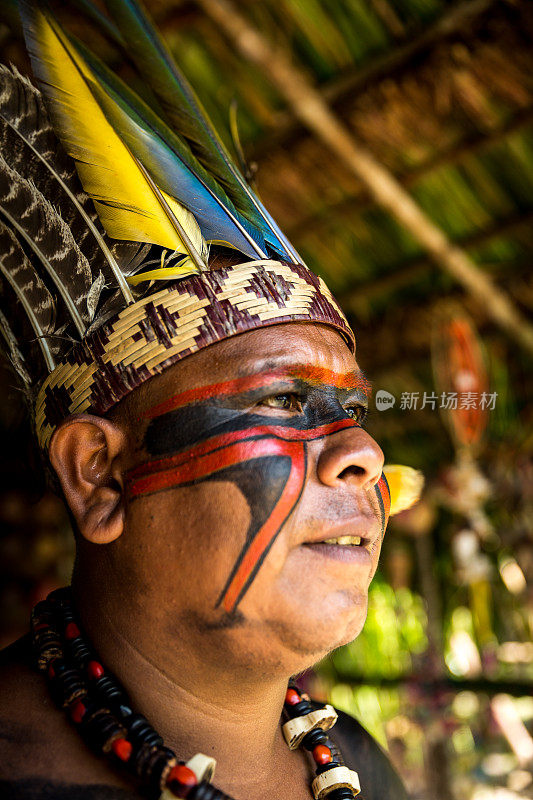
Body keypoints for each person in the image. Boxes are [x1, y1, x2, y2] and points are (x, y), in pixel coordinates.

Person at [0, 2, 416, 798]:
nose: (365, 455)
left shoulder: (356, 766)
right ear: (99, 475)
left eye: (351, 413)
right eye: (286, 399)